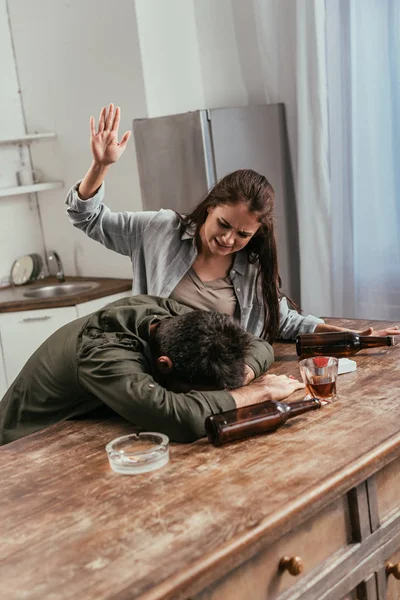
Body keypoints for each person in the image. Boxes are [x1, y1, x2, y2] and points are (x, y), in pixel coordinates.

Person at [66, 104, 400, 342]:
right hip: (159, 369)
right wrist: (101, 165)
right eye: (224, 224)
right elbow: (88, 216)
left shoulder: (251, 265)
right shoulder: (159, 229)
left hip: (226, 374)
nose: (228, 239)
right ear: (210, 206)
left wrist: (353, 336)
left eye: (243, 234)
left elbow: (282, 321)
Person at [0, 295, 305, 446]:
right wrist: (260, 391)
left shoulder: (169, 316)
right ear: (164, 366)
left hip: (86, 426)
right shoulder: (103, 353)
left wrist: (243, 374)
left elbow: (259, 345)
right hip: (24, 447)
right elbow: (181, 418)